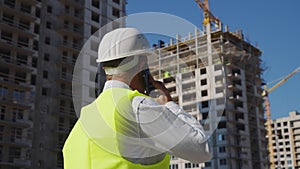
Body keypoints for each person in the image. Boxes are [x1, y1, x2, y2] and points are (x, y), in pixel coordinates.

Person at [63, 28, 211, 169]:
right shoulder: (137, 106)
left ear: (105, 68)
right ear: (142, 64)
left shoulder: (85, 118)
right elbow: (200, 150)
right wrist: (169, 103)